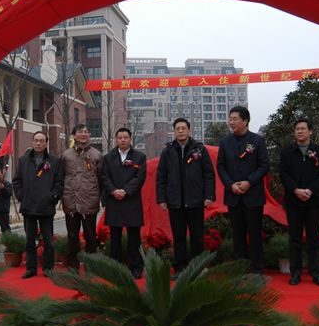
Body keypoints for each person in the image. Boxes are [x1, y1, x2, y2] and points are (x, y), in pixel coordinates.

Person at [156, 118, 215, 280]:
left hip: (195, 201)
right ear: (174, 132)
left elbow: (209, 174)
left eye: (183, 128)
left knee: (197, 237)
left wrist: (209, 196)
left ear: (189, 130)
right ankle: (180, 268)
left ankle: (198, 268)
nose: (180, 131)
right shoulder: (168, 151)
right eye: (177, 129)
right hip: (175, 202)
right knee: (179, 238)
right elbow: (161, 177)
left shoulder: (199, 150)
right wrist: (162, 199)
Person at [217, 106, 270, 275]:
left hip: (253, 195)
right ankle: (240, 269)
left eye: (235, 119)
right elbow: (221, 166)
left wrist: (249, 182)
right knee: (237, 235)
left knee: (255, 234)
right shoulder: (225, 142)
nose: (231, 122)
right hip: (233, 195)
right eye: (230, 119)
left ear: (245, 121)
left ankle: (257, 269)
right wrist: (231, 185)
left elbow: (264, 165)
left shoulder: (257, 141)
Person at [279, 119, 319, 287]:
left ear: (310, 131)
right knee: (295, 239)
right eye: (297, 129)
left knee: (314, 238)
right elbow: (284, 174)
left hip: (313, 201)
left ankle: (317, 273)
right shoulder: (287, 152)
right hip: (294, 201)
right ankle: (295, 273)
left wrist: (310, 190)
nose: (299, 131)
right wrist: (296, 190)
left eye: (303, 129)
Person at [13, 131, 64, 278]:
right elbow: (17, 181)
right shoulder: (23, 160)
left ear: (46, 144)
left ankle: (48, 268)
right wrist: (21, 196)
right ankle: (31, 268)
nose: (38, 143)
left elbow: (59, 182)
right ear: (32, 142)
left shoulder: (54, 161)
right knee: (29, 240)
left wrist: (53, 196)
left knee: (48, 241)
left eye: (41, 141)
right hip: (28, 206)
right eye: (36, 140)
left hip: (46, 206)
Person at [102, 127, 147, 279]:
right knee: (115, 238)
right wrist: (114, 191)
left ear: (130, 139)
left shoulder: (139, 157)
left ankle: (136, 267)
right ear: (116, 140)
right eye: (120, 138)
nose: (122, 140)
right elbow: (104, 177)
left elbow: (140, 177)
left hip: (131, 201)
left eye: (125, 137)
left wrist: (126, 191)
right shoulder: (108, 157)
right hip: (114, 201)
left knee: (134, 238)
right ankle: (116, 267)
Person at [61, 124, 103, 271]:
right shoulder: (66, 155)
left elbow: (101, 178)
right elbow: (62, 176)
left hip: (89, 201)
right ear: (74, 135)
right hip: (70, 201)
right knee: (72, 236)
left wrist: (99, 197)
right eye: (80, 132)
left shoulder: (97, 155)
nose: (84, 134)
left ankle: (90, 265)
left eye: (86, 132)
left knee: (90, 236)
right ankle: (73, 266)